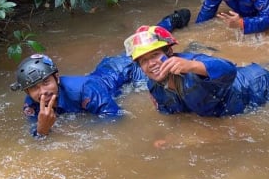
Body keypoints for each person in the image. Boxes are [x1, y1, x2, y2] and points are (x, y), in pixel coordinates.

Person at [10, 9, 192, 138]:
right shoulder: (32, 104)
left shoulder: (84, 90)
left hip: (124, 71)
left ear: (57, 78)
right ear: (27, 92)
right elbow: (37, 136)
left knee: (152, 52)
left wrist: (77, 128)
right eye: (34, 88)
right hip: (105, 70)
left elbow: (115, 117)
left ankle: (183, 37)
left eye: (46, 82)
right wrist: (42, 130)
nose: (42, 92)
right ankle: (169, 22)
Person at [123, 25, 269, 116]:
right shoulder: (154, 86)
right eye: (144, 61)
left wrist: (192, 66)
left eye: (155, 56)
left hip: (257, 86)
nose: (151, 64)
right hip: (234, 103)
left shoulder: (191, 63)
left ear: (170, 52)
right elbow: (174, 112)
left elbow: (228, 68)